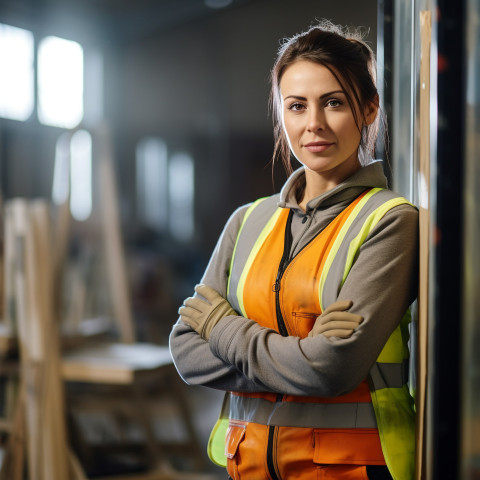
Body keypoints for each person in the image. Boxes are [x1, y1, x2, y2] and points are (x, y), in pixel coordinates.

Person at [169, 20, 418, 480]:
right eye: (297, 106)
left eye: (334, 103)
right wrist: (302, 353)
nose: (314, 124)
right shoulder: (247, 221)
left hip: (349, 470)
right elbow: (185, 350)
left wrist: (223, 328)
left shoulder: (390, 221)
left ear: (368, 109)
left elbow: (330, 370)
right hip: (249, 467)